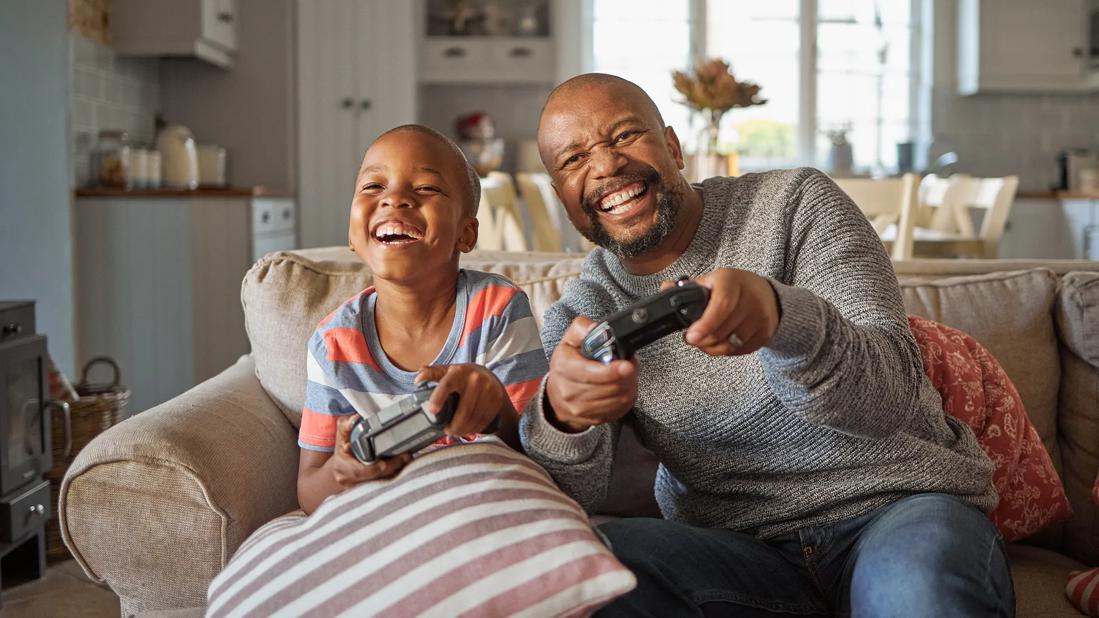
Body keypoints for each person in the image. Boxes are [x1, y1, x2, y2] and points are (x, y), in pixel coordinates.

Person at [519, 74, 1013, 616]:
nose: (607, 165)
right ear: (562, 197)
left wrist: (783, 319)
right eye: (573, 160)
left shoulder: (796, 203)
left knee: (917, 590)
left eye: (624, 136)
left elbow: (886, 397)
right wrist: (564, 417)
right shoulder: (581, 313)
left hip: (897, 510)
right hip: (737, 552)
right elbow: (571, 497)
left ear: (674, 147)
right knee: (597, 568)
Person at [296, 125, 548, 515]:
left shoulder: (497, 310)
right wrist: (342, 473)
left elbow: (540, 462)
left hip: (484, 511)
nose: (394, 199)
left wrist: (496, 408)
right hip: (386, 522)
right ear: (351, 231)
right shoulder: (333, 345)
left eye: (427, 189)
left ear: (466, 234)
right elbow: (309, 489)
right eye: (373, 187)